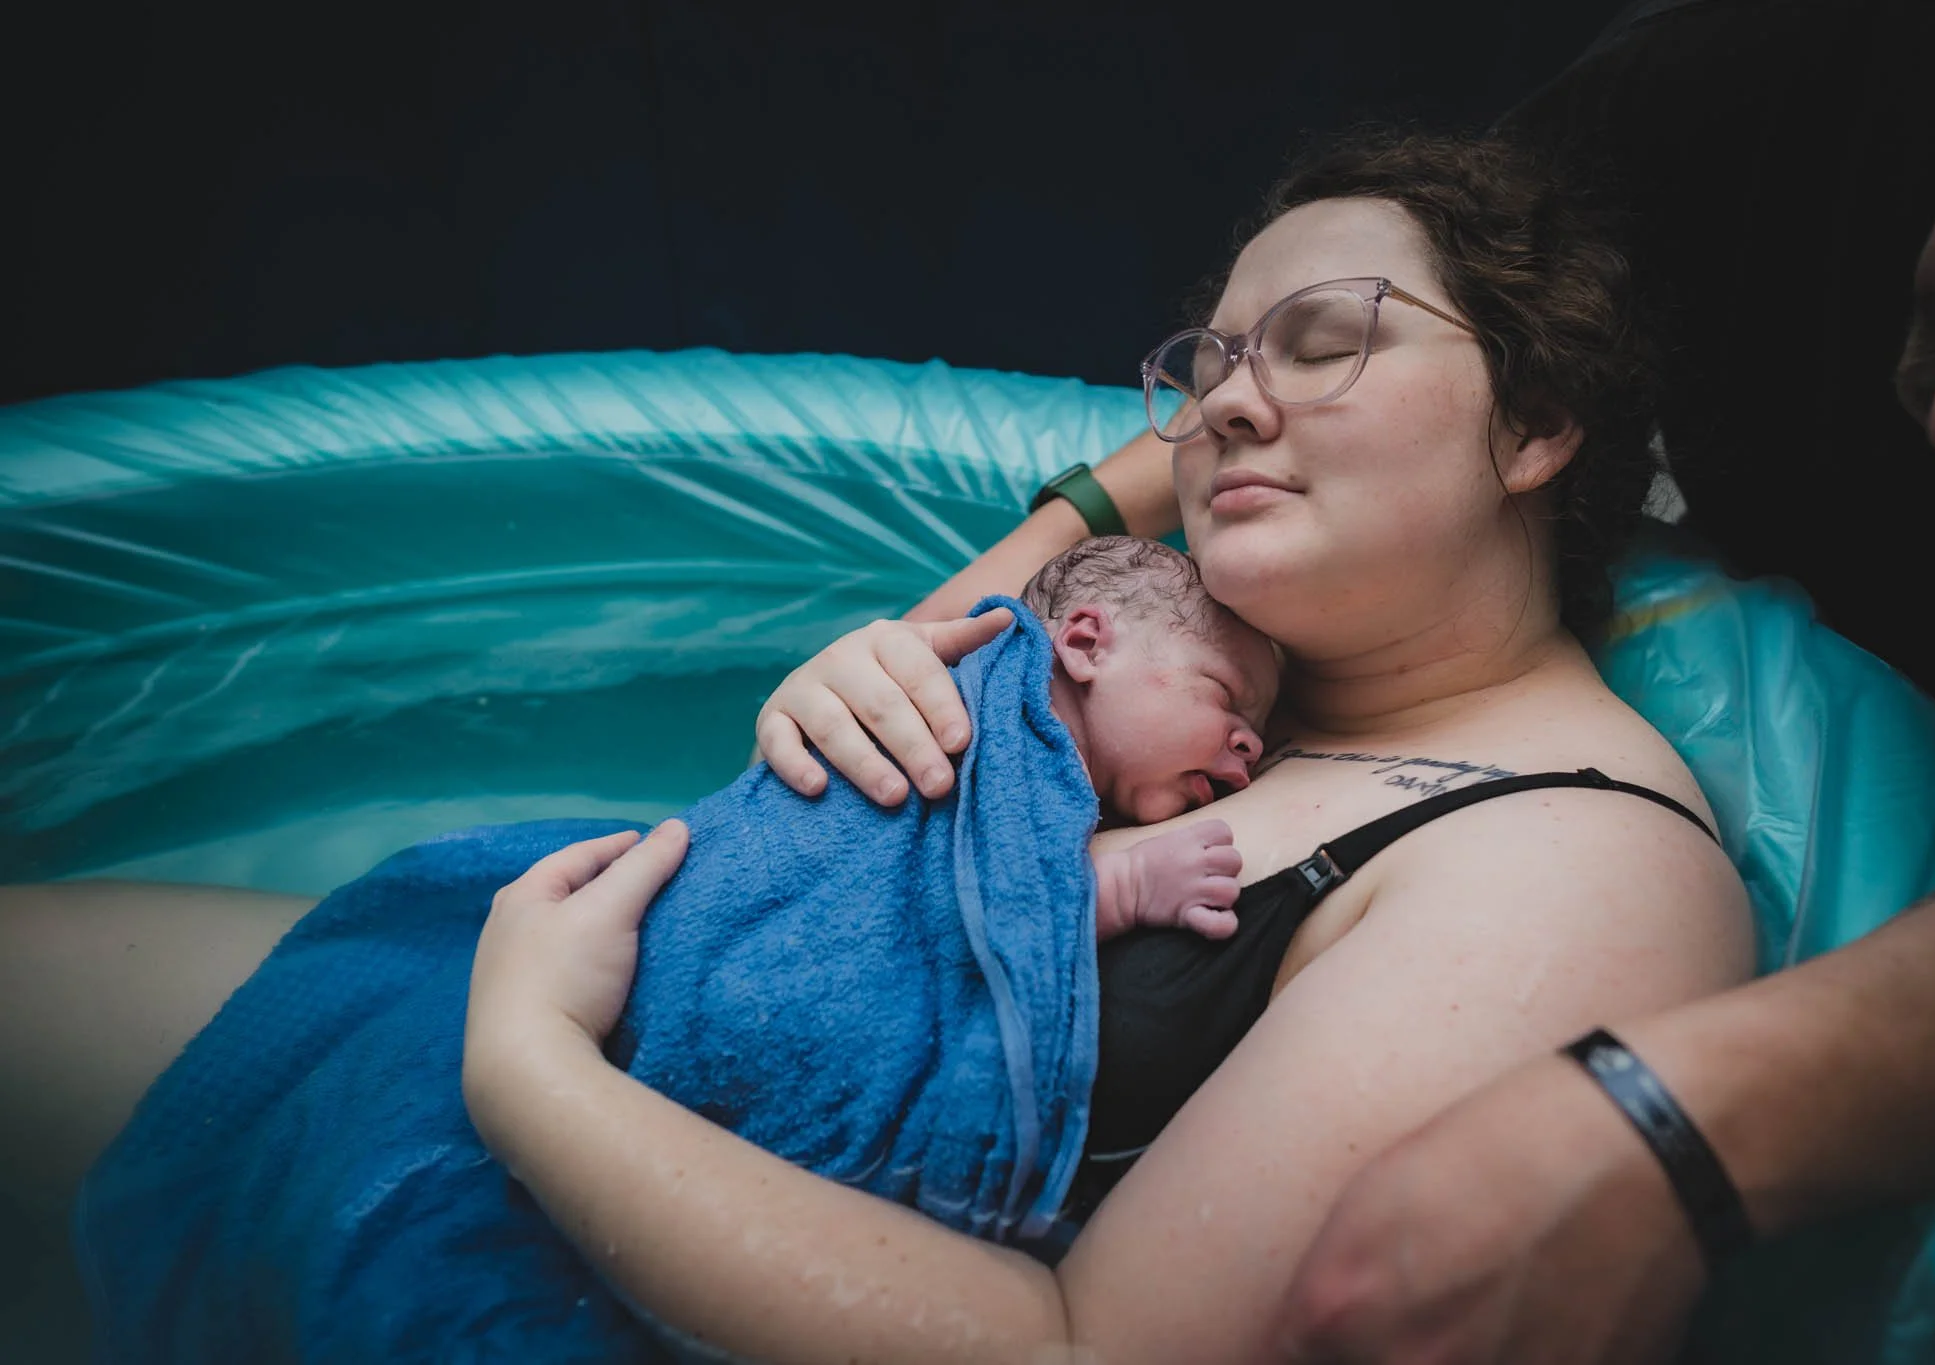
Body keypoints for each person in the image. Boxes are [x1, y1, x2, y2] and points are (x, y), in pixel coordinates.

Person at [457, 126, 1755, 1364]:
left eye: (1320, 345)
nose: (1225, 405)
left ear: (1532, 422)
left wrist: (530, 1069)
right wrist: (859, 702)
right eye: (1206, 372)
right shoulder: (1194, 676)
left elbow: (1098, 1347)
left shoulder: (1576, 869)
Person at [28, 535, 1277, 1360]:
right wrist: (1116, 881)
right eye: (1225, 706)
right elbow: (949, 865)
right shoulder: (996, 693)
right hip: (595, 959)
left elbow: (1001, 898)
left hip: (572, 1071)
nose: (1246, 750)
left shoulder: (1086, 770)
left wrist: (529, 1048)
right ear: (1085, 645)